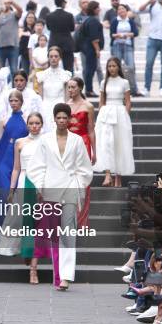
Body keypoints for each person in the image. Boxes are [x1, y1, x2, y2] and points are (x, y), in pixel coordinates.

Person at [26, 103, 93, 291]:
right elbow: (36, 166)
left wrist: (78, 186)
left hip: (70, 188)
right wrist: (41, 186)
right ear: (54, 119)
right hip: (51, 190)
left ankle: (65, 277)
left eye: (65, 117)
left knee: (68, 233)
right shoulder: (45, 140)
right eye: (59, 117)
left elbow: (85, 169)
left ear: (70, 119)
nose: (62, 121)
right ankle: (58, 274)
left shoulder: (77, 140)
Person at [0, 112, 47, 284]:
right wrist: (11, 189)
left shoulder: (47, 142)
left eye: (37, 123)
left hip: (42, 183)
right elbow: (16, 168)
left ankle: (34, 269)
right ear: (27, 125)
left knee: (39, 226)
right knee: (23, 224)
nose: (34, 126)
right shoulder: (19, 142)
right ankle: (26, 253)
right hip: (24, 183)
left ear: (42, 124)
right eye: (31, 123)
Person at [93, 57, 135, 187]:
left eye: (114, 66)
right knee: (106, 144)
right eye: (109, 66)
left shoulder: (124, 82)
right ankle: (107, 175)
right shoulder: (103, 82)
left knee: (119, 144)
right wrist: (100, 116)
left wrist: (125, 116)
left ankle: (118, 177)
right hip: (106, 114)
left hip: (120, 114)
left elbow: (128, 102)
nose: (112, 68)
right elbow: (101, 102)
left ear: (118, 67)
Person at [66, 77, 96, 228]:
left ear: (80, 88)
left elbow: (91, 129)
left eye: (73, 87)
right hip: (69, 144)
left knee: (83, 182)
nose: (70, 90)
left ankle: (82, 219)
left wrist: (95, 151)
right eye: (69, 87)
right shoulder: (65, 106)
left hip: (84, 142)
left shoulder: (88, 106)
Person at [0, 91, 28, 193]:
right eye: (11, 101)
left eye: (16, 100)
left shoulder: (26, 120)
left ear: (21, 102)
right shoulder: (4, 120)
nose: (13, 103)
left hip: (20, 156)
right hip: (4, 156)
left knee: (17, 184)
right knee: (4, 185)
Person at [0, 70, 43, 135]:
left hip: (28, 128)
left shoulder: (33, 95)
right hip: (10, 126)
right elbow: (2, 112)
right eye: (16, 80)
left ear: (26, 81)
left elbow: (38, 113)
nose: (18, 83)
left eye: (21, 80)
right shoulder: (7, 94)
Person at [36, 46, 72, 132]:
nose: (53, 59)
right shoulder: (42, 75)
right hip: (45, 108)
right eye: (51, 56)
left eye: (56, 56)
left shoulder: (65, 75)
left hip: (60, 108)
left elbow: (67, 98)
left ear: (60, 58)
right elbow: (40, 98)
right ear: (48, 58)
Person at [110, 4, 140, 96]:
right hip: (117, 45)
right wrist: (118, 35)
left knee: (130, 67)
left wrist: (127, 35)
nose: (121, 10)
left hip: (128, 45)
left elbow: (136, 33)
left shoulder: (130, 21)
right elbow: (112, 34)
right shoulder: (115, 21)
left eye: (123, 9)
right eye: (119, 9)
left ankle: (133, 89)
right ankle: (115, 90)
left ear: (126, 11)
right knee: (115, 68)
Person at [75, 0, 104, 90]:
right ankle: (89, 90)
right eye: (98, 8)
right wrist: (97, 50)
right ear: (94, 9)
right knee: (90, 70)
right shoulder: (93, 21)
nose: (99, 9)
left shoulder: (89, 19)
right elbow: (94, 38)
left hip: (88, 48)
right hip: (91, 49)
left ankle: (89, 89)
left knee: (90, 69)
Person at [0, 0, 23, 76]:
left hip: (13, 46)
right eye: (4, 3)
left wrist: (12, 2)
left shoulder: (14, 14)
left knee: (14, 70)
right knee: (0, 71)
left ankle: (14, 88)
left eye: (7, 3)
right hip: (0, 46)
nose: (5, 5)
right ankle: (1, 88)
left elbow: (20, 11)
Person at [45, 0, 75, 72]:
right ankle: (69, 83)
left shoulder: (49, 16)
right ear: (63, 3)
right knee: (68, 69)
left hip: (54, 43)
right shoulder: (69, 15)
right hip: (67, 44)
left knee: (52, 67)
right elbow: (72, 28)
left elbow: (48, 28)